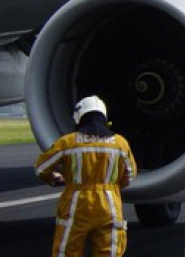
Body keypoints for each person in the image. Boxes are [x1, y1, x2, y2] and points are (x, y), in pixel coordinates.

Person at [35, 95, 137, 257]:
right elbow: (130, 175)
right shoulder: (120, 144)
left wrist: (53, 178)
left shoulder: (68, 142)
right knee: (109, 252)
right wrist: (111, 187)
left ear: (80, 117)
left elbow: (41, 168)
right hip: (109, 205)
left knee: (67, 251)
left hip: (77, 203)